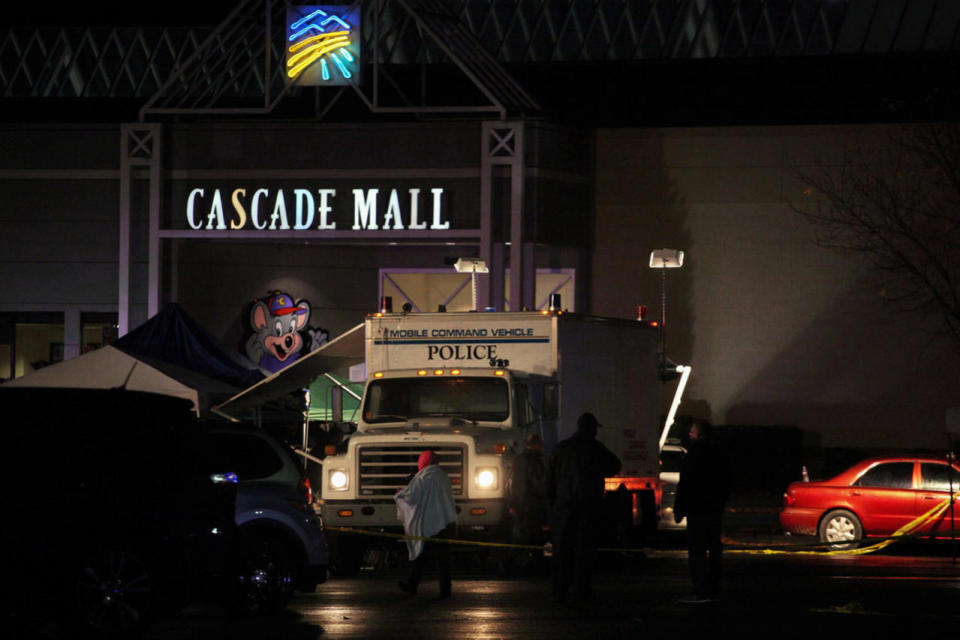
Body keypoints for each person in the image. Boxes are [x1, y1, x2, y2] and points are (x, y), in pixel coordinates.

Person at [546, 412, 622, 602]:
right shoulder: (596, 449)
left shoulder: (560, 449)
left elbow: (548, 480)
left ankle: (559, 590)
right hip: (588, 507)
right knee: (584, 551)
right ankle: (580, 590)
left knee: (562, 550)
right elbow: (615, 465)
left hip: (563, 508)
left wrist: (552, 505)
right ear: (591, 428)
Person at [674, 419, 729, 604]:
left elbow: (685, 485)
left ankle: (700, 590)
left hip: (697, 511)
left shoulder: (693, 455)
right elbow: (725, 483)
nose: (690, 434)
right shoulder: (718, 454)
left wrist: (679, 509)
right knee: (713, 549)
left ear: (699, 434)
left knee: (697, 551)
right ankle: (713, 588)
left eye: (692, 432)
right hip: (712, 511)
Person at [394, 450, 457, 599]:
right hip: (445, 522)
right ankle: (445, 589)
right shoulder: (443, 476)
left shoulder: (422, 477)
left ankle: (412, 585)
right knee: (443, 558)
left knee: (421, 556)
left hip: (428, 524)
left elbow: (411, 496)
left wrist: (399, 494)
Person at [506, 433, 549, 573]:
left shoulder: (518, 460)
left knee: (521, 538)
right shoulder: (535, 462)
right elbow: (539, 485)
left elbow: (513, 484)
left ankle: (511, 566)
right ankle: (535, 568)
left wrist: (513, 505)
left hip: (520, 505)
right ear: (537, 444)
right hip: (532, 506)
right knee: (534, 539)